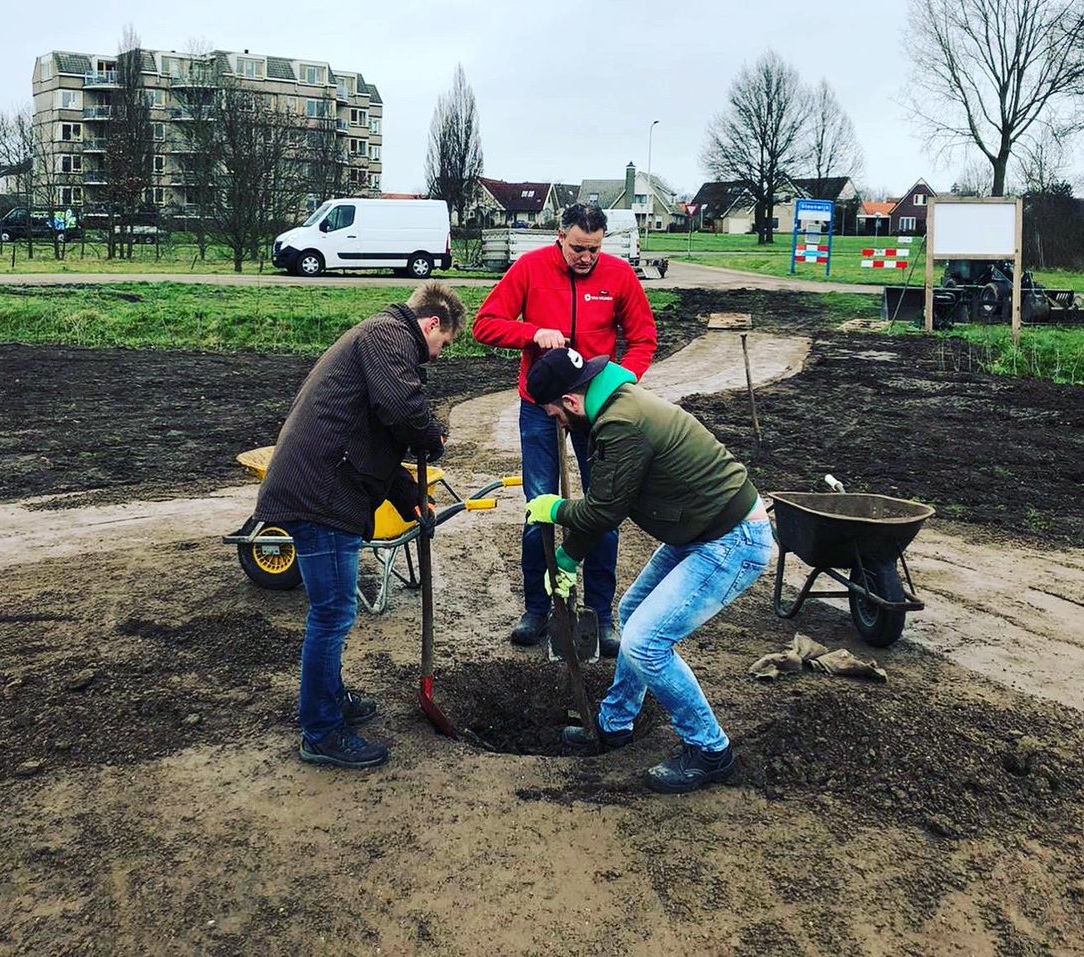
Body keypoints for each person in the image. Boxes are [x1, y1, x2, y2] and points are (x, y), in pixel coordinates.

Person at [523, 346, 772, 794]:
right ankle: (615, 724)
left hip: (732, 538)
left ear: (572, 403)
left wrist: (555, 509)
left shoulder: (621, 425)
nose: (559, 425)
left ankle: (710, 750)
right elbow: (607, 500)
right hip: (699, 531)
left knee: (645, 643)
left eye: (556, 416)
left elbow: (602, 510)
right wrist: (568, 558)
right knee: (635, 610)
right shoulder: (615, 406)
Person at [254, 281, 464, 770]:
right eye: (444, 345)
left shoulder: (381, 341)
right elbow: (401, 410)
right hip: (321, 492)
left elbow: (376, 440)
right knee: (333, 614)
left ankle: (331, 702)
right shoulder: (389, 336)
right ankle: (322, 732)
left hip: (329, 482)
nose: (436, 357)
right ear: (432, 324)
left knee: (333, 612)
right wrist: (431, 435)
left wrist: (411, 498)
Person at [472, 203, 657, 655]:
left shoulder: (619, 276)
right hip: (541, 408)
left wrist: (619, 382)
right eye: (578, 248)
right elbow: (485, 325)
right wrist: (533, 334)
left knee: (605, 508)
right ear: (560, 235)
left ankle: (601, 612)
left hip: (596, 412)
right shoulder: (531, 269)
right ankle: (538, 608)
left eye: (594, 249)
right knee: (541, 507)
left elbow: (644, 338)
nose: (586, 258)